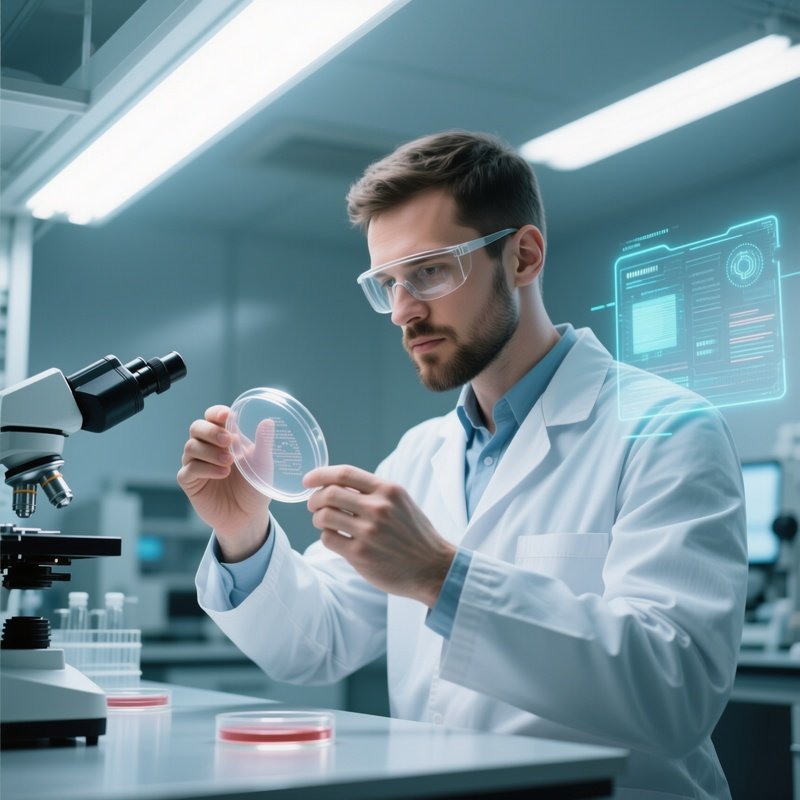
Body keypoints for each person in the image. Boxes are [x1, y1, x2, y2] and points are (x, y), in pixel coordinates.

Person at [180, 131, 747, 799]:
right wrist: (243, 534)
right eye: (386, 283)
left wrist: (439, 575)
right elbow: (317, 644)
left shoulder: (667, 431)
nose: (402, 310)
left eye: (429, 270)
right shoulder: (420, 456)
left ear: (523, 256)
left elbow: (673, 691)